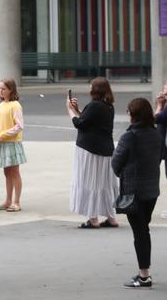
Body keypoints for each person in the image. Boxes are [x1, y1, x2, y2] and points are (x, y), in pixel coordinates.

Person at [112, 98, 163, 288]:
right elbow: (159, 157)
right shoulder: (156, 134)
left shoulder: (130, 136)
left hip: (134, 192)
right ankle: (144, 273)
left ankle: (144, 276)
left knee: (140, 233)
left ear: (133, 115)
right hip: (152, 190)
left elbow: (116, 163)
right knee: (143, 229)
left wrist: (125, 173)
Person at [67, 77, 119, 229]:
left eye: (91, 86)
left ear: (95, 89)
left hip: (89, 150)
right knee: (105, 184)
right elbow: (89, 119)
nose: (89, 88)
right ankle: (111, 217)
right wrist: (77, 110)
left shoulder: (94, 105)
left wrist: (70, 111)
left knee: (89, 181)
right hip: (106, 150)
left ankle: (93, 218)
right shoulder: (108, 106)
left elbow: (80, 123)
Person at [0, 78, 27, 212]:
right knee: (7, 172)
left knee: (15, 172)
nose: (0, 91)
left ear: (11, 90)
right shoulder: (1, 105)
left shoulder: (15, 105)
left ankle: (16, 201)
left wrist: (3, 135)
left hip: (12, 142)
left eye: (3, 89)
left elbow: (19, 126)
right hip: (3, 141)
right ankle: (8, 200)